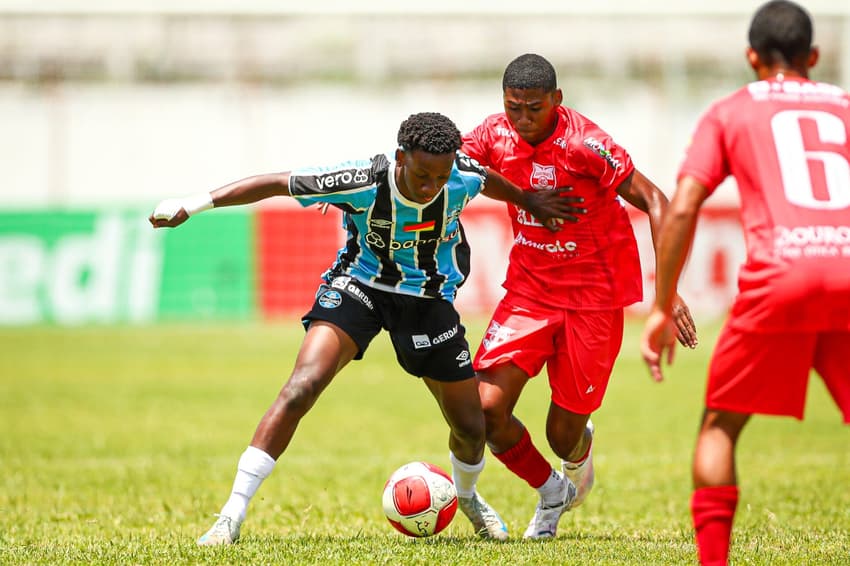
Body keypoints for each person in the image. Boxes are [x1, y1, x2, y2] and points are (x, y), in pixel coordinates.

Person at [149, 112, 585, 545]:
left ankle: (468, 498)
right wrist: (194, 203)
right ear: (399, 157)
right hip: (360, 286)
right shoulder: (359, 179)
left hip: (427, 301)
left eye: (441, 175)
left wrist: (529, 201)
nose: (432, 186)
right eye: (422, 175)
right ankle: (231, 515)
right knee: (302, 386)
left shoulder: (462, 175)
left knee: (471, 428)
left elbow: (486, 177)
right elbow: (275, 183)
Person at [640, 2, 850, 564]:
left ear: (751, 56)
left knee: (720, 426)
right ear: (814, 57)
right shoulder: (846, 105)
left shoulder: (730, 110)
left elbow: (683, 206)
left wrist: (662, 305)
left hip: (781, 277)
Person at [461, 53, 698, 539]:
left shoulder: (587, 144)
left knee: (561, 433)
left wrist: (667, 290)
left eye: (534, 108)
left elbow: (657, 202)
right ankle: (550, 493)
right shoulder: (492, 134)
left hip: (595, 299)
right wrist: (522, 197)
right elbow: (454, 165)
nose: (523, 120)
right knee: (485, 409)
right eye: (514, 108)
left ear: (557, 101)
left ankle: (576, 458)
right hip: (529, 291)